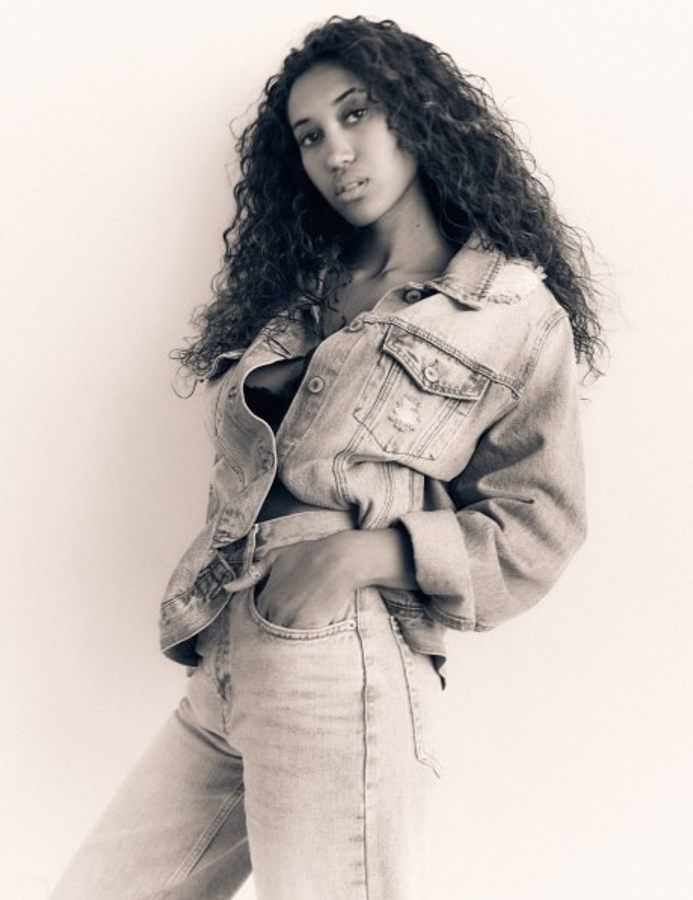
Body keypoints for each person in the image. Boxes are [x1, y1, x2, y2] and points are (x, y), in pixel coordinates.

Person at [51, 15, 604, 900]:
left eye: (356, 115)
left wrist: (354, 556)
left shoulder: (508, 310)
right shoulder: (302, 294)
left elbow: (541, 522)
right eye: (310, 136)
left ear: (416, 117)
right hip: (228, 649)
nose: (336, 153)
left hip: (339, 654)